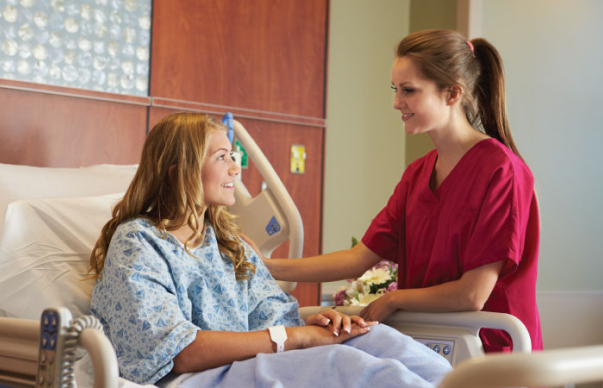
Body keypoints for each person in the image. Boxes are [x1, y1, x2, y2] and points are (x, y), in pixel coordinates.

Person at [88, 112, 452, 386]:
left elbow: (275, 318)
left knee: (377, 339)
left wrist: (315, 325)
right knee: (342, 366)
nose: (235, 168)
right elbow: (179, 352)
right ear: (177, 171)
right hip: (196, 377)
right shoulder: (139, 243)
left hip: (249, 364)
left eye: (233, 156)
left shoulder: (227, 244)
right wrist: (297, 337)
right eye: (221, 157)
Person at [256, 29, 543, 354]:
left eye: (408, 90)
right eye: (395, 89)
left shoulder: (502, 171)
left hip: (492, 352)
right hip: (432, 346)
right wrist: (267, 265)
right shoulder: (417, 175)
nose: (396, 102)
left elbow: (472, 294)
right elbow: (357, 258)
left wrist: (393, 299)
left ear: (452, 94)